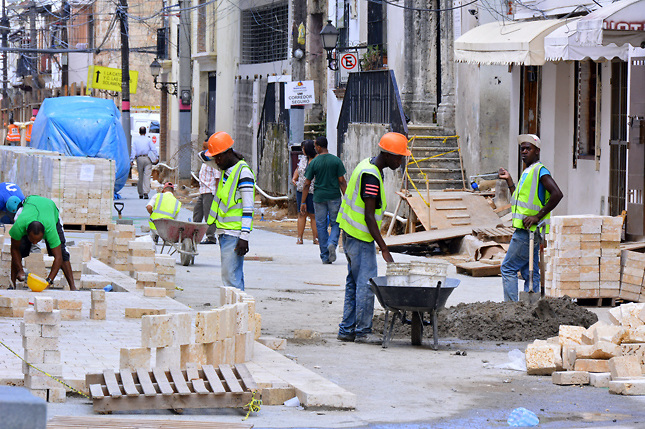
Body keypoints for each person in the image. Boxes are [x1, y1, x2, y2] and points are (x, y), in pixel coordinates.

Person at [336, 132, 411, 344]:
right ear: (387, 155)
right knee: (366, 284)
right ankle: (363, 331)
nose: (401, 161)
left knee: (353, 283)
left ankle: (347, 329)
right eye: (399, 157)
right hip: (360, 237)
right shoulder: (371, 176)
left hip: (350, 234)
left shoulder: (367, 165)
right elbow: (369, 216)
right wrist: (383, 247)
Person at [499, 134, 563, 302]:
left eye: (529, 148)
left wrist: (537, 216)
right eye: (522, 149)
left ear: (537, 151)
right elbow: (518, 202)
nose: (524, 151)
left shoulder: (539, 170)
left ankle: (512, 308)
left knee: (507, 268)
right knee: (530, 271)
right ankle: (532, 308)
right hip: (528, 231)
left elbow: (557, 194)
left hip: (527, 232)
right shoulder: (527, 173)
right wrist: (510, 181)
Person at [201, 131, 255, 291]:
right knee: (231, 276)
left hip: (234, 234)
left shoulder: (243, 172)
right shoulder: (225, 169)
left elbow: (248, 208)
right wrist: (216, 152)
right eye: (215, 157)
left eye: (219, 156)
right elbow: (203, 157)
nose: (216, 161)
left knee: (231, 278)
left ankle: (236, 311)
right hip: (224, 232)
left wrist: (244, 237)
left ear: (229, 153)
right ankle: (237, 311)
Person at [9, 195, 76, 290]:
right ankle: (12, 285)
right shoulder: (19, 226)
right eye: (32, 240)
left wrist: (49, 281)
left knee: (62, 252)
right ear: (26, 232)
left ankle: (73, 287)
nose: (35, 243)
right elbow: (14, 249)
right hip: (28, 204)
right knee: (19, 248)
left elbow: (59, 257)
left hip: (50, 209)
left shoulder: (51, 230)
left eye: (38, 240)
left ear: (44, 233)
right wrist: (20, 270)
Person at [301, 136, 347, 264]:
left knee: (321, 225)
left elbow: (306, 183)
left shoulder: (314, 162)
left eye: (315, 145)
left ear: (319, 147)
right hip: (334, 197)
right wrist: (347, 199)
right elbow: (342, 181)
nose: (314, 148)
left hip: (319, 197)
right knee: (336, 223)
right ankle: (332, 243)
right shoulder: (336, 161)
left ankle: (325, 255)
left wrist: (303, 201)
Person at [194, 139, 220, 245]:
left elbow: (217, 178)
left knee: (209, 214)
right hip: (203, 191)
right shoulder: (205, 161)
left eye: (205, 148)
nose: (203, 150)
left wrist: (217, 193)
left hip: (210, 191)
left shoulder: (213, 163)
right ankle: (194, 233)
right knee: (197, 211)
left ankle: (211, 237)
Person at [292, 140, 318, 245]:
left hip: (313, 191)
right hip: (301, 190)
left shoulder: (317, 160)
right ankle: (299, 237)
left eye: (303, 148)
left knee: (313, 215)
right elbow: (298, 169)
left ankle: (315, 238)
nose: (302, 150)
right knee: (301, 213)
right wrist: (294, 178)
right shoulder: (303, 159)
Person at [131, 126, 158, 199]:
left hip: (139, 159)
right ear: (145, 132)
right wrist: (157, 157)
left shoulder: (135, 141)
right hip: (147, 158)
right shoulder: (148, 140)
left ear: (139, 132)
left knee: (140, 176)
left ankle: (140, 193)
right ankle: (146, 192)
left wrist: (131, 160)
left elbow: (133, 151)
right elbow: (153, 149)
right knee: (147, 176)